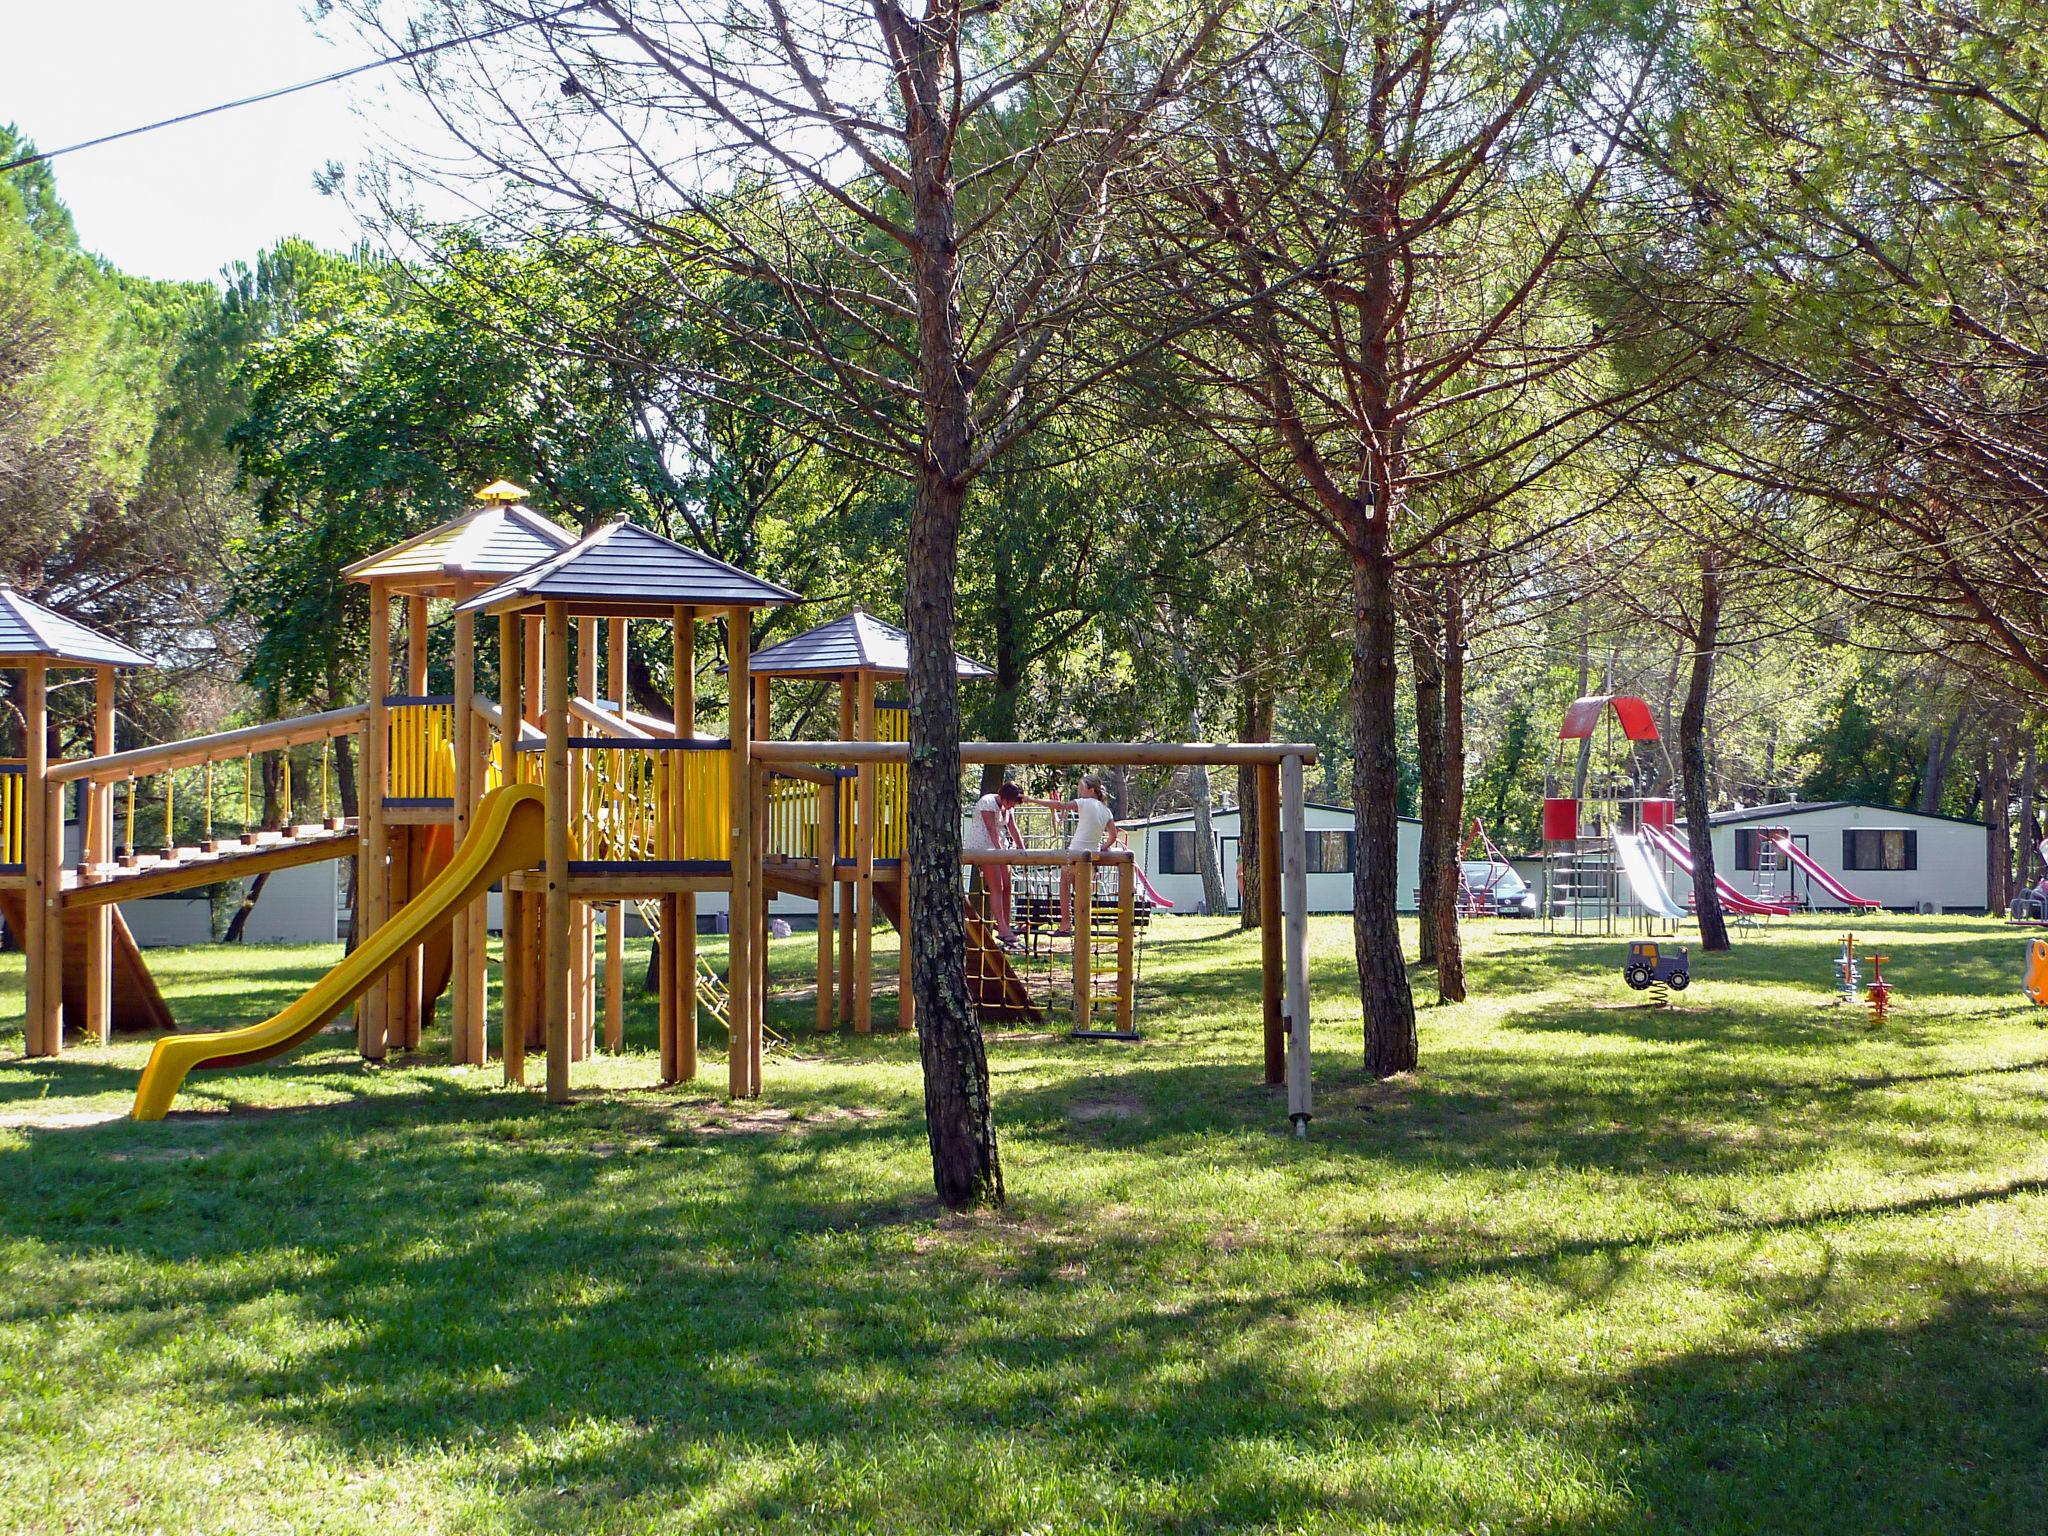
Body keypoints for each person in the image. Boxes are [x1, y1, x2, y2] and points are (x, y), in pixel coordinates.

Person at [1032, 773, 1121, 937]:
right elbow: (1113, 836)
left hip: (1075, 852)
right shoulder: (1106, 811)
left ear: (1091, 790)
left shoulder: (1084, 803)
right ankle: (1082, 924)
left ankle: (1065, 923)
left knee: (1064, 885)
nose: (1079, 793)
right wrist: (1103, 847)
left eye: (1081, 789)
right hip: (1091, 857)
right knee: (1082, 892)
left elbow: (1060, 805)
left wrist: (1032, 800)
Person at [963, 781, 1026, 947]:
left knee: (1007, 885)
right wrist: (1000, 853)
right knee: (997, 887)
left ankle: (1004, 923)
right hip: (985, 848)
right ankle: (1003, 928)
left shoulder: (1008, 807)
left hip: (1000, 849)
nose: (1013, 805)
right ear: (1004, 796)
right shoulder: (987, 802)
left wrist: (1023, 850)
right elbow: (991, 829)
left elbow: (1013, 828)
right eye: (1011, 801)